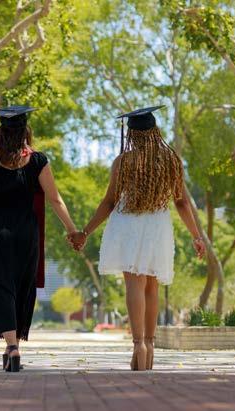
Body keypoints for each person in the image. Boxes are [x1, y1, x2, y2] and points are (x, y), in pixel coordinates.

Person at [70, 106, 206, 371]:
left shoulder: (123, 162)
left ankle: (138, 345)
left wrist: (85, 232)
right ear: (155, 131)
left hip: (127, 224)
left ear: (131, 134)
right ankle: (151, 345)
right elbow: (182, 203)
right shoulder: (171, 161)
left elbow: (109, 202)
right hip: (157, 226)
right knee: (152, 286)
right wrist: (196, 236)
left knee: (134, 284)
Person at [0, 105, 80, 372]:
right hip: (27, 234)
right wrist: (72, 230)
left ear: (0, 132)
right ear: (26, 131)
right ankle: (14, 345)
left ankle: (12, 347)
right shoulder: (39, 160)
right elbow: (55, 199)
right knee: (20, 287)